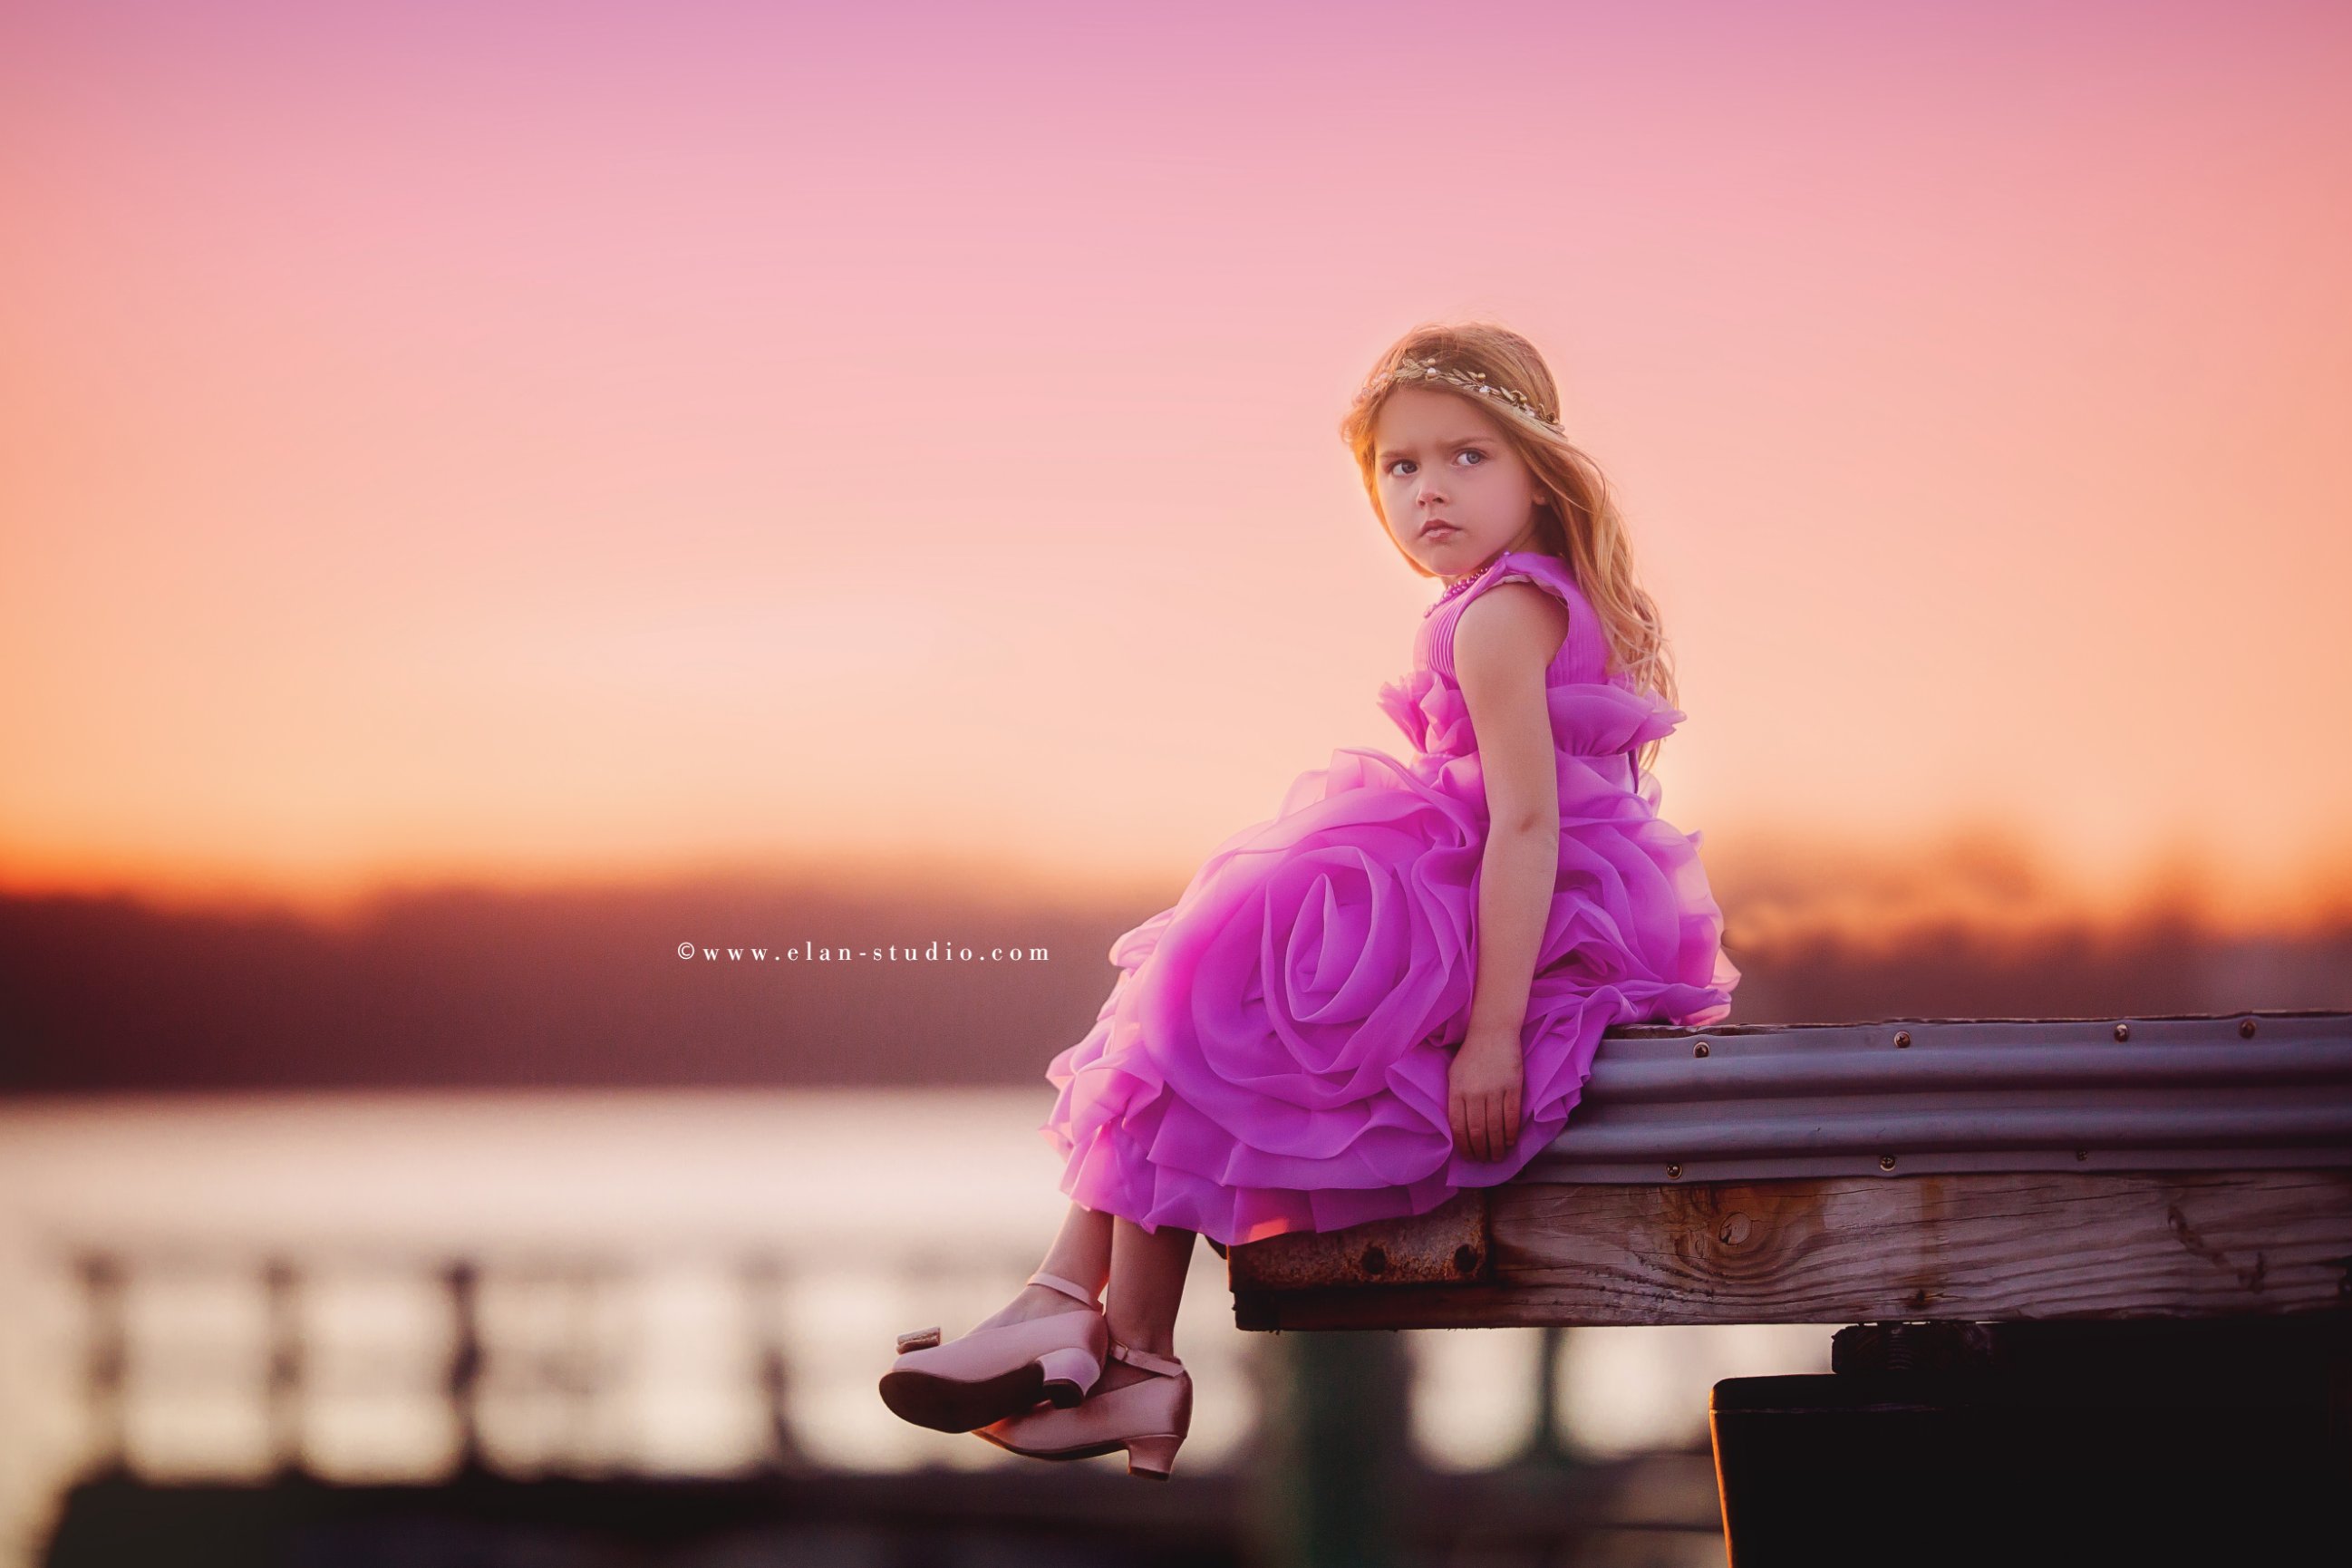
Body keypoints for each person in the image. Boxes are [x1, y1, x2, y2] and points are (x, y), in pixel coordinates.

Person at [877, 320, 1741, 1479]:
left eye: (1466, 456)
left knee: (1211, 980)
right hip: (1505, 889)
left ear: (1539, 467)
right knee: (1198, 985)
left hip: (1520, 915)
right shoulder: (1525, 597)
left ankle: (1114, 1338)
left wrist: (1492, 1036)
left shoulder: (1496, 616)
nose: (1429, 490)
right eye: (1400, 466)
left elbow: (1527, 822)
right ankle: (1095, 1321)